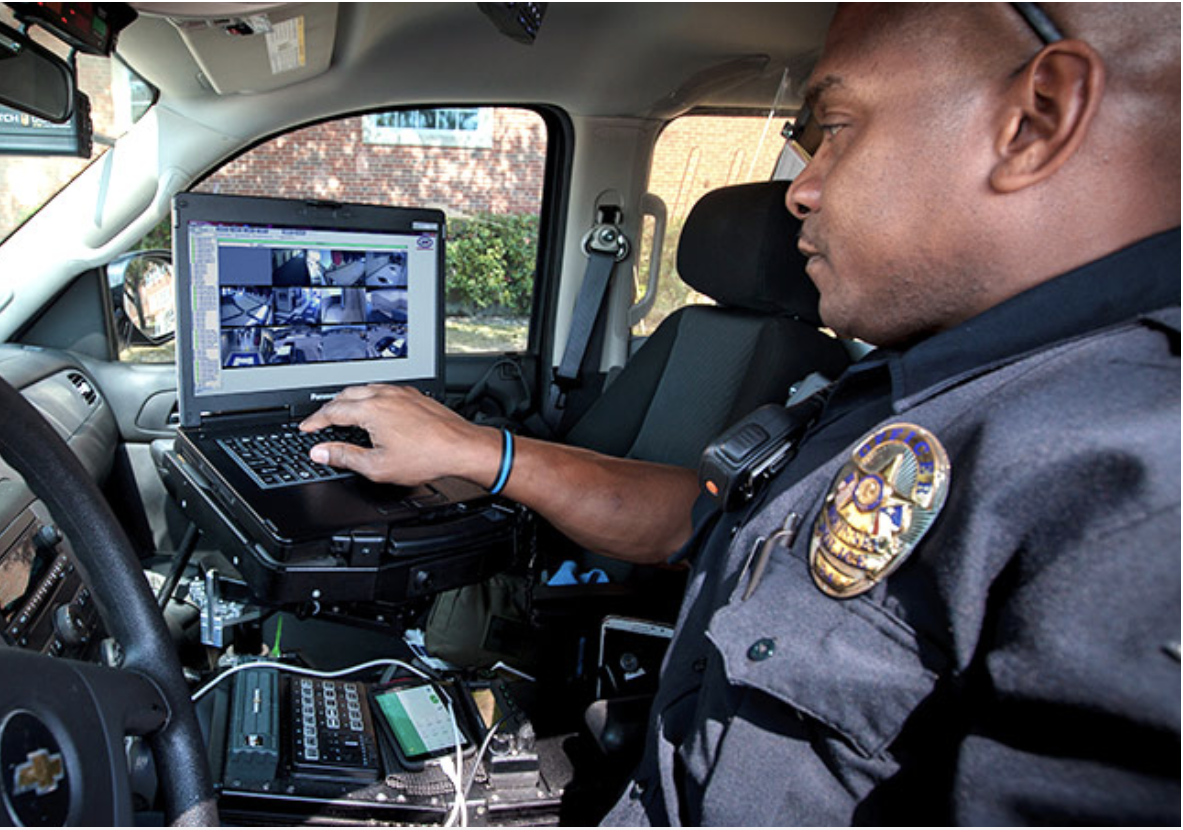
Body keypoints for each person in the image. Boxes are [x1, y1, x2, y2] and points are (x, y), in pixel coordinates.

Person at [301, 3, 1180, 823]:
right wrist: (484, 451)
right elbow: (699, 517)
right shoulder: (917, 384)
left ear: (1038, 118)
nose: (801, 189)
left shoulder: (1136, 484)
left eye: (833, 130)